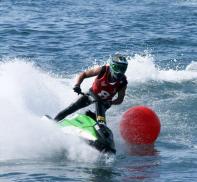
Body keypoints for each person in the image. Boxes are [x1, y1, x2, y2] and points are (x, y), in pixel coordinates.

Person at [54, 54, 128, 124]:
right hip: (91, 95)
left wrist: (111, 103)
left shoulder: (123, 82)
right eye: (118, 68)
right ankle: (53, 122)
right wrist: (77, 85)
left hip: (104, 102)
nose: (120, 72)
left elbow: (120, 99)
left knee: (98, 120)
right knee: (71, 109)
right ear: (112, 66)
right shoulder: (103, 70)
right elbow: (84, 74)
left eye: (122, 69)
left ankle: (95, 128)